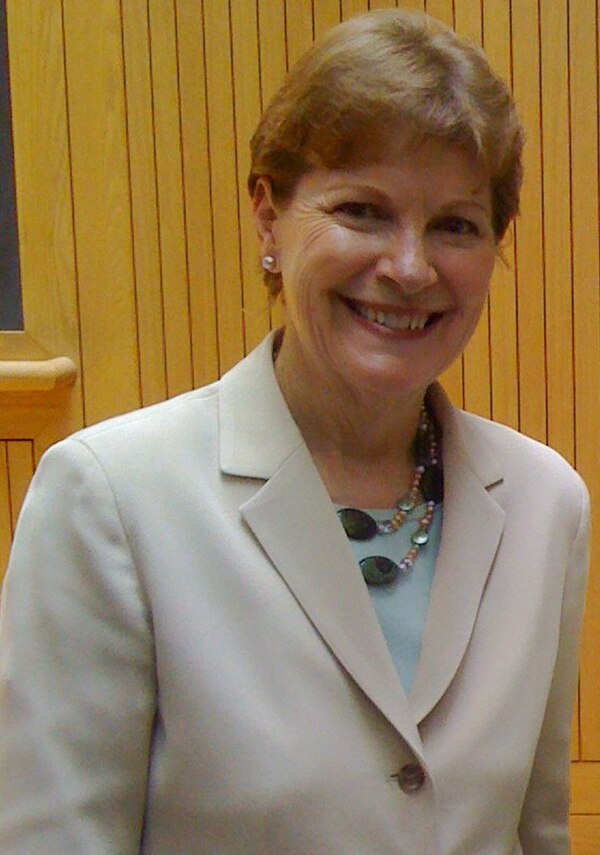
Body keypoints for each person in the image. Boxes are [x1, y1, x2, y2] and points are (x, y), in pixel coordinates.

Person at [0, 9, 589, 854]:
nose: (410, 266)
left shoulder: (546, 503)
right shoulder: (112, 498)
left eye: (455, 224)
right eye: (362, 210)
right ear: (269, 218)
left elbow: (535, 832)